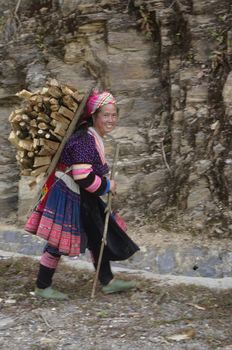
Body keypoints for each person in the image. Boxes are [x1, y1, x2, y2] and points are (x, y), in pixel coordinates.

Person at [25, 90, 139, 300]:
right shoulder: (84, 140)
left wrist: (104, 185)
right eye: (106, 115)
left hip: (81, 194)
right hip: (69, 192)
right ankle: (42, 286)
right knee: (58, 241)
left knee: (97, 234)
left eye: (114, 115)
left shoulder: (91, 136)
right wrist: (107, 186)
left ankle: (107, 281)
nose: (110, 120)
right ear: (94, 115)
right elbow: (82, 176)